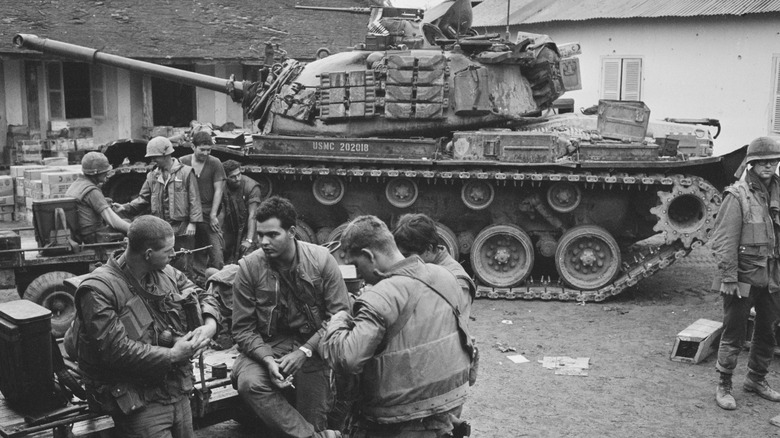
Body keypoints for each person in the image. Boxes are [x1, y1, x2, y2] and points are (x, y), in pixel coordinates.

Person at [65, 215, 220, 437]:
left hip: (175, 388)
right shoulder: (99, 290)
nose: (174, 255)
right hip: (137, 398)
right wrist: (173, 355)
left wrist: (210, 324)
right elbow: (115, 350)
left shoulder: (165, 273)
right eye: (168, 251)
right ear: (148, 254)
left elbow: (203, 295)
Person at [319, 215, 475, 438]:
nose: (358, 273)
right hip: (446, 407)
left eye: (356, 264)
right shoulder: (444, 275)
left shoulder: (380, 296)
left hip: (394, 418)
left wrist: (339, 319)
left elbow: (347, 360)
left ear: (369, 256)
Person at [231, 196, 350, 438]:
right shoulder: (249, 268)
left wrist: (305, 351)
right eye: (261, 234)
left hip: (314, 346)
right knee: (249, 383)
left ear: (292, 231)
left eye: (273, 235)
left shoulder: (321, 260)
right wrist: (266, 360)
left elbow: (340, 315)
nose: (264, 242)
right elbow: (242, 329)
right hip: (269, 344)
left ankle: (313, 431)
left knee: (314, 412)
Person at [711, 136, 780, 411]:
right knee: (734, 333)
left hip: (773, 278)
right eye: (762, 161)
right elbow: (724, 241)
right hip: (744, 278)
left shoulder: (778, 192)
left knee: (767, 331)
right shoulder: (737, 195)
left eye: (773, 161)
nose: (768, 165)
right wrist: (729, 278)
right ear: (751, 163)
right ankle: (724, 384)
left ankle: (756, 380)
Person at [115, 136, 202, 276]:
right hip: (161, 230)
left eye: (155, 157)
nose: (152, 160)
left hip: (182, 228)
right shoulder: (152, 176)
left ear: (166, 154)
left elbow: (194, 199)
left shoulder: (186, 172)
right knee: (162, 266)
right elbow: (143, 199)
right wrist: (125, 207)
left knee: (183, 264)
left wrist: (193, 223)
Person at [392, 213, 475, 322]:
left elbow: (444, 326)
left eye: (407, 255)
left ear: (428, 249)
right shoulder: (421, 266)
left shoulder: (457, 280)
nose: (403, 260)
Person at [180, 131, 226, 276]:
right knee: (187, 252)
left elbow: (219, 190)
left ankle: (218, 281)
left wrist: (213, 214)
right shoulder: (183, 162)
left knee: (217, 253)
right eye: (202, 149)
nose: (206, 153)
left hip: (208, 212)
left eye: (209, 150)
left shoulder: (215, 163)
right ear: (193, 146)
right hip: (188, 214)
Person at [66, 151, 129, 243]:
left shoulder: (77, 184)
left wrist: (103, 202)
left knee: (126, 221)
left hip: (81, 234)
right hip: (93, 236)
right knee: (130, 225)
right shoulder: (92, 191)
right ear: (95, 173)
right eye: (104, 173)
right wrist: (135, 230)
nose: (107, 175)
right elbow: (113, 221)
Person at [220, 159, 263, 265]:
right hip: (232, 223)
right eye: (232, 177)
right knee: (222, 249)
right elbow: (221, 212)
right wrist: (218, 234)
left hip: (251, 226)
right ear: (226, 177)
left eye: (238, 174)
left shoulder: (251, 186)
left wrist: (249, 240)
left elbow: (253, 215)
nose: (237, 179)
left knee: (247, 254)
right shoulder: (222, 185)